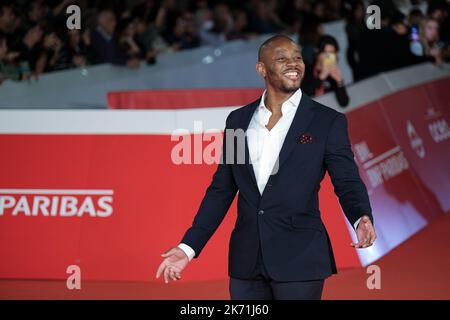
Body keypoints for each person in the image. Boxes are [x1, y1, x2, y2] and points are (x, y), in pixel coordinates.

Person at [156, 35, 376, 300]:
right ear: (262, 69)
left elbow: (347, 180)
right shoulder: (237, 120)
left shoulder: (327, 122)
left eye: (297, 58)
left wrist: (360, 216)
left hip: (300, 259)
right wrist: (188, 247)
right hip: (246, 262)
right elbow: (222, 189)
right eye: (282, 58)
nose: (293, 64)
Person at [302, 35, 349, 107]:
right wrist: (321, 77)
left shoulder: (333, 75)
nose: (329, 57)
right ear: (317, 51)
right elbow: (301, 97)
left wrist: (339, 82)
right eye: (326, 53)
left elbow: (344, 103)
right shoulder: (305, 69)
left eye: (332, 53)